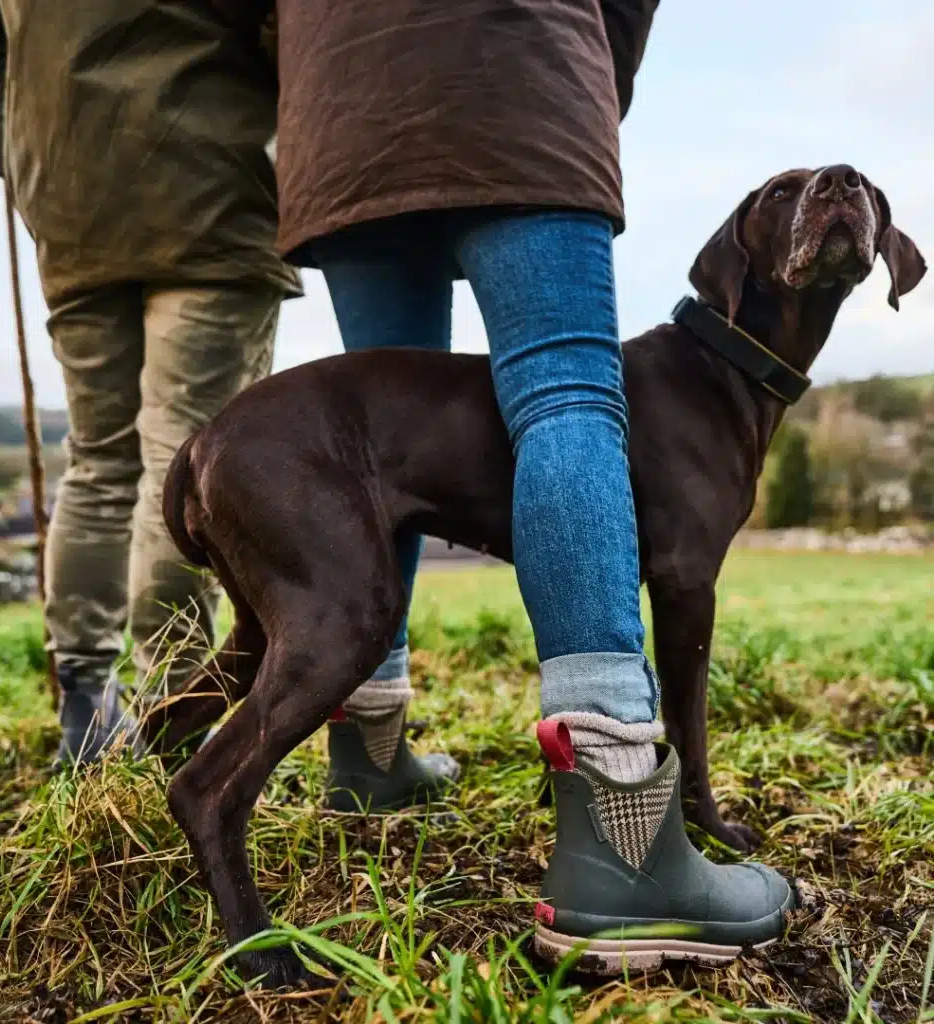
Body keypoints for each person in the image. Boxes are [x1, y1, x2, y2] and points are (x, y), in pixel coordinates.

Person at [251, 0, 795, 966]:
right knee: (568, 397)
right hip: (519, 84)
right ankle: (621, 830)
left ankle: (370, 757)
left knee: (387, 441)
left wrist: (314, 60)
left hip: (346, 121)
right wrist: (587, 77)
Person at [0, 0, 303, 767]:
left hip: (68, 196)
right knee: (189, 465)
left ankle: (87, 701)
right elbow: (285, 30)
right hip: (211, 180)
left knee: (97, 462)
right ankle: (178, 713)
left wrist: (29, 144)